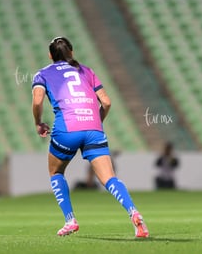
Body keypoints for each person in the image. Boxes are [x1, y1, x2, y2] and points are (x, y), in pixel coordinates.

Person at [31, 36, 149, 237]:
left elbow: (37, 101)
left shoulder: (43, 74)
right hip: (93, 128)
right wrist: (96, 121)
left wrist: (38, 123)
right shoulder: (86, 71)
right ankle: (134, 212)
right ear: (72, 52)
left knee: (56, 173)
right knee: (109, 178)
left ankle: (70, 220)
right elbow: (107, 102)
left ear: (50, 55)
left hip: (66, 129)